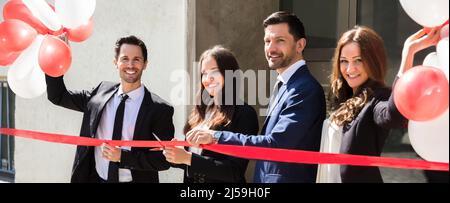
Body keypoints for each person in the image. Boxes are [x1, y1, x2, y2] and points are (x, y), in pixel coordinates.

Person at [185, 11, 326, 183]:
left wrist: (215, 136)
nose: (271, 48)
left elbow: (275, 145)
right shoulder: (285, 85)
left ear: (300, 45)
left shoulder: (304, 89)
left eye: (280, 40)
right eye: (267, 41)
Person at [316, 26, 441, 183]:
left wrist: (408, 53)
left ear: (373, 61)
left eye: (358, 60)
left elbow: (392, 116)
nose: (350, 69)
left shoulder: (377, 97)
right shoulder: (342, 97)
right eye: (344, 61)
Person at [45, 35, 174, 183]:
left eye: (136, 59)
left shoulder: (159, 109)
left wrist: (122, 156)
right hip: (96, 179)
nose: (130, 65)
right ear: (116, 62)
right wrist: (56, 56)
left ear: (145, 64)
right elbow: (58, 96)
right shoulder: (100, 93)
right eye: (125, 59)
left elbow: (164, 160)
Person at [162, 46, 259, 183]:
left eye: (214, 71)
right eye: (204, 73)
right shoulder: (199, 112)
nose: (207, 79)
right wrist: (175, 156)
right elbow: (192, 162)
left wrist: (187, 158)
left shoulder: (244, 113)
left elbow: (234, 171)